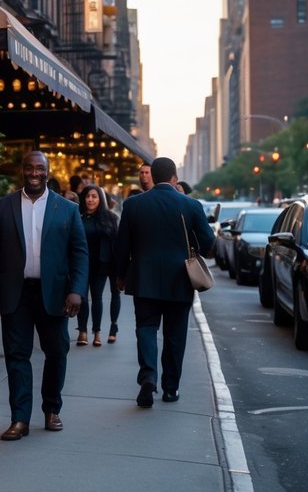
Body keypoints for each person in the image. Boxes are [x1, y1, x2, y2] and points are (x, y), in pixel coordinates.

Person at [0, 150, 88, 440]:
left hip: (54, 294)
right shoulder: (2, 207)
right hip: (15, 293)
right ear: (23, 171)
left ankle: (52, 409)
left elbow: (79, 253)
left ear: (48, 172)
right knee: (17, 356)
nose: (35, 173)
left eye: (40, 169)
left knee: (57, 352)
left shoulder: (66, 209)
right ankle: (19, 419)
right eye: (30, 168)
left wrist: (77, 290)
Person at [114, 156, 215, 408]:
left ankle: (148, 376)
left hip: (144, 278)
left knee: (146, 328)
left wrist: (120, 274)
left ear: (153, 176)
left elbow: (121, 245)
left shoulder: (133, 205)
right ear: (174, 177)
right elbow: (209, 243)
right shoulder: (190, 205)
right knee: (175, 335)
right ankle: (171, 388)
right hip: (179, 279)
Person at [75, 184, 121, 347]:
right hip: (81, 263)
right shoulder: (77, 216)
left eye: (94, 196)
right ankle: (82, 331)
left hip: (102, 264)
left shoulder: (110, 217)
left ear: (100, 199)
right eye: (88, 196)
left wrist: (119, 268)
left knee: (96, 298)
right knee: (82, 298)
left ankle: (97, 332)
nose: (90, 200)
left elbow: (116, 242)